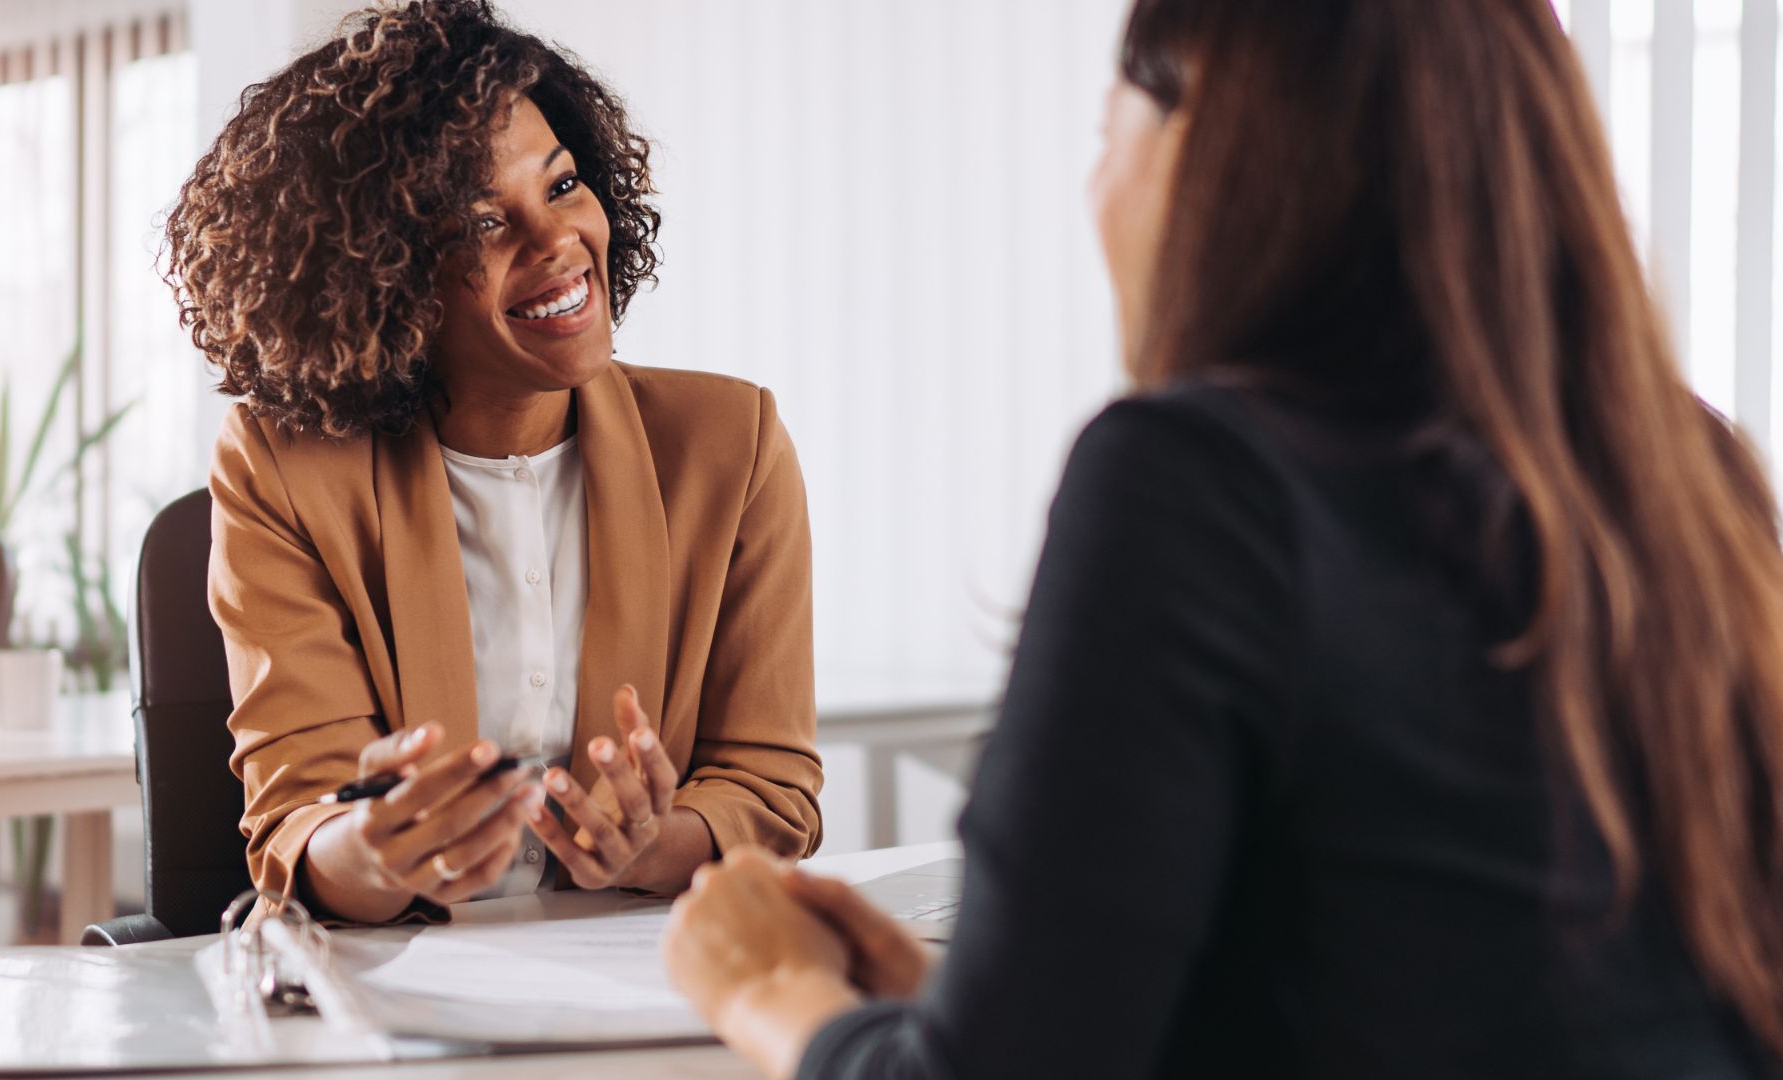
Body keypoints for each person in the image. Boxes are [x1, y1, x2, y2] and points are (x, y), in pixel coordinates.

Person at [661, 0, 1783, 1076]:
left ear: (1212, 150)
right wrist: (958, 1005)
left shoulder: (1195, 481)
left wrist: (769, 994)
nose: (1096, 185)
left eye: (1111, 133)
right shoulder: (1694, 477)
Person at [165, 0, 822, 926]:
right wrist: (384, 847)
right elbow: (297, 824)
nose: (557, 243)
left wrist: (648, 843)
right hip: (398, 1001)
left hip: (642, 990)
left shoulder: (731, 443)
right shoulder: (284, 468)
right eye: (480, 221)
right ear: (383, 276)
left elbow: (770, 787)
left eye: (560, 187)